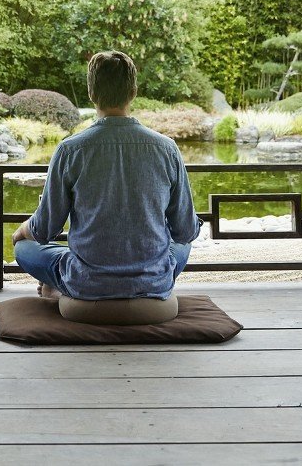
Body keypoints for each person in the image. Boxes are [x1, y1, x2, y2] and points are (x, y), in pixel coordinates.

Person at [12, 51, 199, 300]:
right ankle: (143, 284)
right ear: (133, 92)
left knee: (24, 249)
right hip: (152, 280)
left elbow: (45, 229)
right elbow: (185, 232)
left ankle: (61, 290)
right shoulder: (167, 148)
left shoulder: (70, 149)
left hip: (87, 280)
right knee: (182, 245)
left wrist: (22, 232)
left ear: (91, 93)